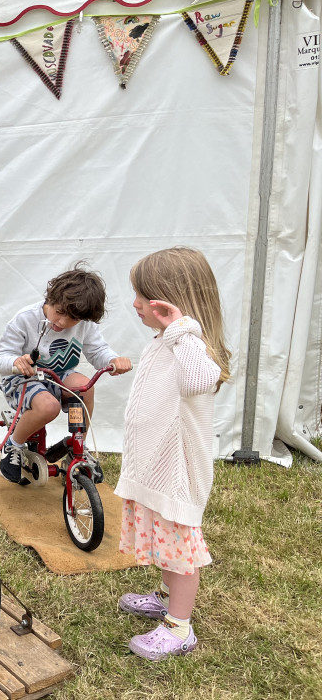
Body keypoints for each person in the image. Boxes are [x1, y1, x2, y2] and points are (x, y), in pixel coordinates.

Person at [115, 247, 231, 660]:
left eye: (142, 297)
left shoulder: (190, 344)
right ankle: (166, 598)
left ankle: (179, 627)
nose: (135, 304)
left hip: (177, 474)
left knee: (180, 551)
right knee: (165, 541)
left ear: (167, 302)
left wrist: (181, 327)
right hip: (157, 468)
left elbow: (202, 379)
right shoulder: (168, 341)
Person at [0, 263, 132, 484]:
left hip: (59, 375)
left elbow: (98, 351)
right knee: (49, 406)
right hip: (23, 378)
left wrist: (113, 360)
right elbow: (0, 359)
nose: (62, 322)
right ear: (50, 298)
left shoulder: (84, 324)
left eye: (73, 320)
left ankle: (78, 449)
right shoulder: (25, 319)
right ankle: (14, 445)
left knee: (85, 388)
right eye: (59, 312)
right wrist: (17, 362)